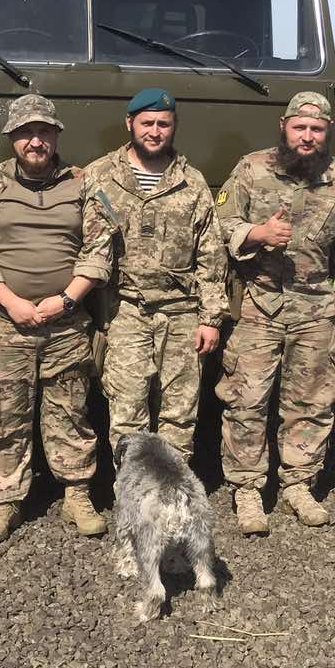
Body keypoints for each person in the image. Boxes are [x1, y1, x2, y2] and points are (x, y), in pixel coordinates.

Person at [0, 94, 116, 543]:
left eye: (43, 132)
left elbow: (100, 250)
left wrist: (66, 299)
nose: (35, 141)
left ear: (57, 135)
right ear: (12, 139)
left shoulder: (84, 184)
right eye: (25, 133)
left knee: (70, 410)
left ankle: (77, 494)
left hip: (64, 321)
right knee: (1, 412)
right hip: (4, 322)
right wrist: (10, 301)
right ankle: (4, 500)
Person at [215, 92, 335, 536]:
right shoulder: (251, 168)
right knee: (246, 399)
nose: (307, 136)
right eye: (300, 127)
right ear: (284, 127)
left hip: (316, 306)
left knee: (312, 402)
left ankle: (299, 485)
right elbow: (220, 221)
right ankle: (246, 490)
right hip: (260, 302)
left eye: (317, 129)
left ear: (328, 132)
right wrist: (257, 232)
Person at [84, 88, 228, 462]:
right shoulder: (98, 176)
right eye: (147, 122)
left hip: (182, 312)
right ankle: (133, 500)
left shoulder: (192, 182)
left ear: (174, 127)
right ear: (129, 123)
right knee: (127, 413)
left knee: (179, 416)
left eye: (164, 124)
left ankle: (171, 505)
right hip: (124, 310)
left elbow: (211, 256)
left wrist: (211, 318)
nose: (155, 131)